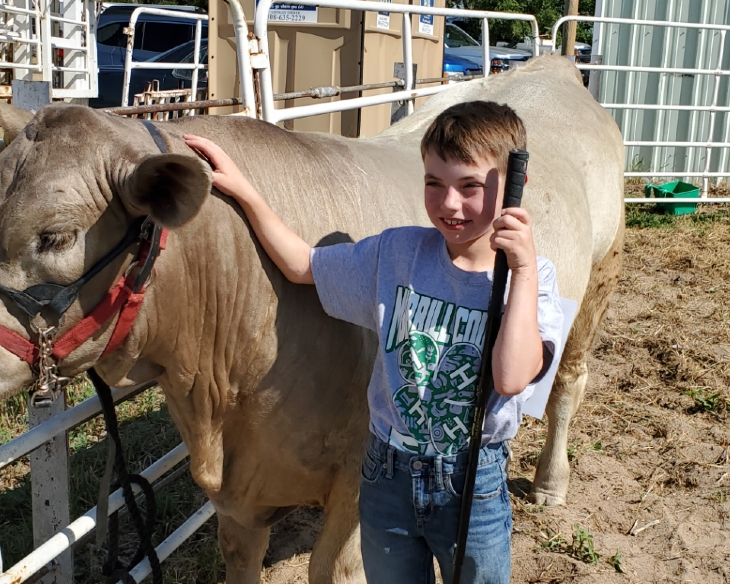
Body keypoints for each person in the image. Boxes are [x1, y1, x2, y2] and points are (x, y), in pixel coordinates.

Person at [184, 100, 563, 584]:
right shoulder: (397, 253)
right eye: (434, 183)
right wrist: (244, 190)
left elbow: (511, 377)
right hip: (387, 472)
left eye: (470, 186)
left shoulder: (534, 281)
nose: (449, 204)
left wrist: (524, 269)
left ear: (514, 187)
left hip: (472, 478)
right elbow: (304, 266)